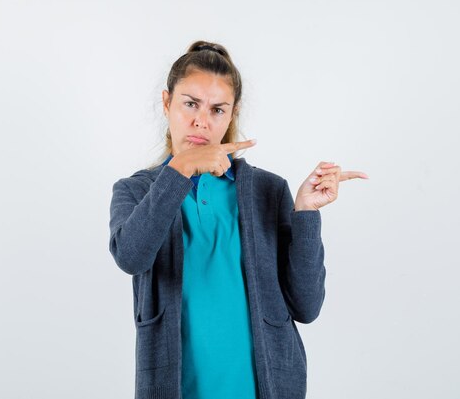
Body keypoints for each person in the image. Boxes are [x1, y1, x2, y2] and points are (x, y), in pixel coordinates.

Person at [108, 40, 368, 399]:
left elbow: (306, 307)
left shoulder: (268, 190)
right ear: (167, 103)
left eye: (218, 109)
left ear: (232, 114)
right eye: (190, 104)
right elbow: (131, 256)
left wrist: (306, 213)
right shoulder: (135, 191)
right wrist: (179, 168)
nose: (202, 120)